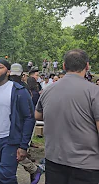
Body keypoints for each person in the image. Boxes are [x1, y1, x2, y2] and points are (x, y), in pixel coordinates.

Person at [35, 49, 99, 184]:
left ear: (64, 66)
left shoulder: (48, 90)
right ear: (87, 66)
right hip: (86, 165)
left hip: (54, 161)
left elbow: (38, 115)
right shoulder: (94, 92)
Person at [9, 63, 43, 183]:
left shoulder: (22, 88)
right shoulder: (17, 86)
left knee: (14, 152)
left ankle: (33, 169)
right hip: (14, 124)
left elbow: (27, 111)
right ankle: (32, 169)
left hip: (20, 124)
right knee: (13, 153)